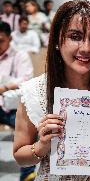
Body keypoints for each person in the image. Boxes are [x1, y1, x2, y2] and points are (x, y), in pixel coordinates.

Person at [13, 0, 90, 181]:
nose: (86, 48)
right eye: (75, 36)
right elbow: (19, 155)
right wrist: (41, 146)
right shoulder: (34, 92)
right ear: (57, 41)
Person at [0, 21, 35, 181]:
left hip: (13, 107)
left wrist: (5, 87)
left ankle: (27, 174)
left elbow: (26, 80)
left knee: (31, 132)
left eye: (1, 40)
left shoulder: (20, 55)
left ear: (9, 38)